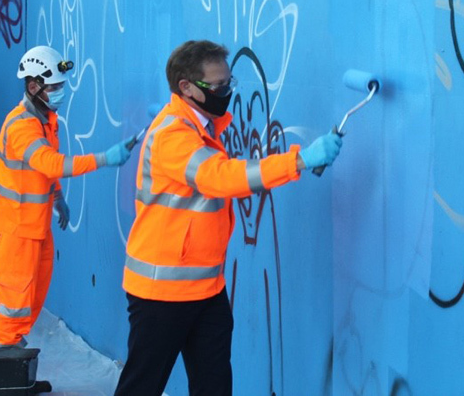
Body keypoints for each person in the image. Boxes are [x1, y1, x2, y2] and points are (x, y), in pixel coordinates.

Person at [114, 40, 343, 395]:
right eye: (218, 86)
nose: (227, 93)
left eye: (229, 83)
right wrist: (298, 161)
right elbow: (220, 178)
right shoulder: (174, 136)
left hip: (207, 289)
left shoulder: (202, 128)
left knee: (214, 386)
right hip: (162, 294)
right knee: (142, 387)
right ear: (186, 87)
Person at [0, 45, 135, 350]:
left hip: (33, 227)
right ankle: (2, 359)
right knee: (16, 300)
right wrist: (103, 158)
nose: (60, 93)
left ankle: (4, 348)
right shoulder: (23, 125)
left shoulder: (45, 120)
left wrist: (57, 196)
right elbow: (51, 163)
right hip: (14, 229)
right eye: (54, 87)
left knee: (32, 296)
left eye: (61, 86)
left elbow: (41, 172)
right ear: (34, 86)